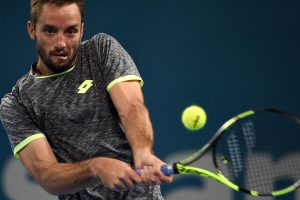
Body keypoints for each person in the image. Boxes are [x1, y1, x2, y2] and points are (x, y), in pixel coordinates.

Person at [0, 0, 172, 199]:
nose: (61, 43)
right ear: (32, 29)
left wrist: (143, 154)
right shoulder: (17, 103)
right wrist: (95, 168)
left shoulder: (101, 49)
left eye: (70, 31)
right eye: (50, 31)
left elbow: (132, 107)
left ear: (82, 30)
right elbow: (47, 175)